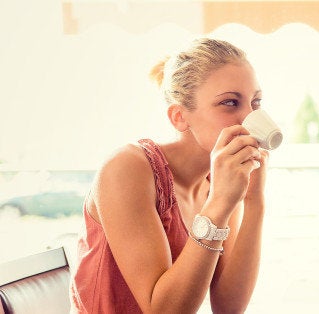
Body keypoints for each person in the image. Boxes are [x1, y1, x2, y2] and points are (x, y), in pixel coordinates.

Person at [70, 38, 268, 313]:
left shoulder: (217, 183)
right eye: (230, 102)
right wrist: (220, 204)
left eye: (256, 102)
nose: (249, 117)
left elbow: (229, 307)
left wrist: (254, 200)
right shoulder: (127, 168)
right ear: (179, 117)